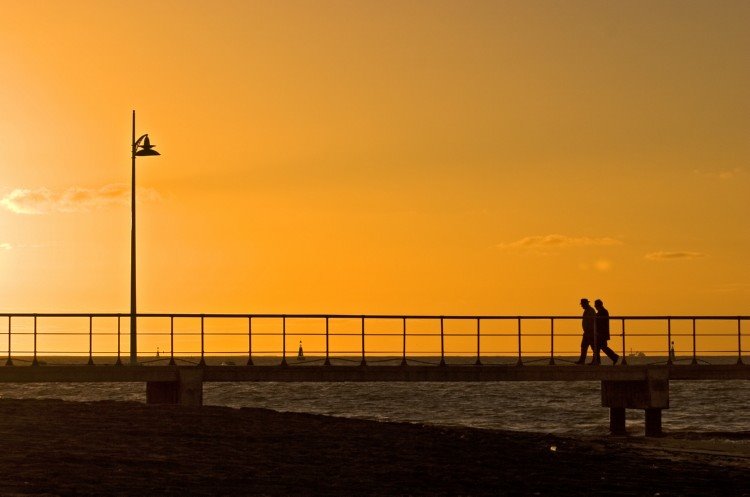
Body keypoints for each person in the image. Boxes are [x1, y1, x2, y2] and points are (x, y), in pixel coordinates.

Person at [593, 299, 619, 365]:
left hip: (601, 333)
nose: (595, 306)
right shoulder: (603, 311)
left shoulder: (602, 312)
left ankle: (614, 357)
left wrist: (598, 332)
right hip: (602, 333)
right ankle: (597, 361)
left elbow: (601, 323)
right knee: (598, 347)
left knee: (601, 347)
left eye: (595, 305)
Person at [575, 298, 596, 364]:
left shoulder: (590, 311)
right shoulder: (589, 310)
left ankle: (594, 360)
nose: (581, 306)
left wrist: (590, 330)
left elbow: (592, 321)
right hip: (587, 332)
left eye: (582, 304)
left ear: (585, 304)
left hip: (590, 332)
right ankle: (582, 360)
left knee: (592, 347)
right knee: (584, 346)